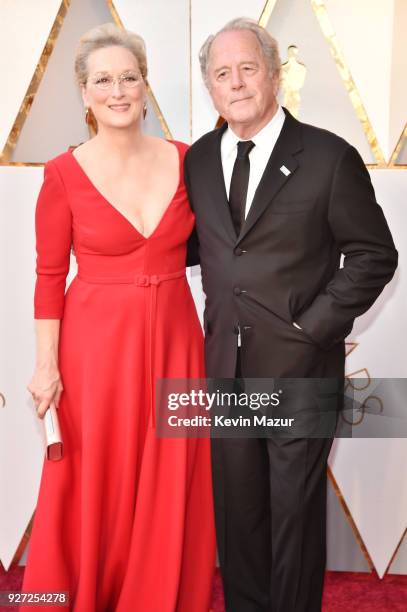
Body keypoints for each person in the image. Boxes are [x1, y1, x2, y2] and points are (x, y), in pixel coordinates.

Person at [184, 17, 398, 612]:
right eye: (222, 73)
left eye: (248, 67)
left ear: (274, 74)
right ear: (209, 86)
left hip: (302, 370)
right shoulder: (198, 160)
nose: (237, 82)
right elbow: (202, 248)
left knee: (294, 519)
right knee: (240, 515)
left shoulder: (329, 157)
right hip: (225, 366)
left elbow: (375, 255)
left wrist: (314, 327)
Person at [23, 22, 215, 612]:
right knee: (92, 482)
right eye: (102, 80)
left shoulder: (189, 162)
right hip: (95, 351)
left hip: (178, 343)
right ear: (84, 93)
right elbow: (50, 278)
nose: (117, 90)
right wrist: (46, 367)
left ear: (144, 85)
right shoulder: (61, 174)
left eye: (128, 77)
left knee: (171, 474)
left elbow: (235, 255)